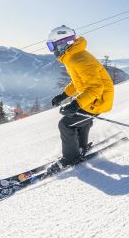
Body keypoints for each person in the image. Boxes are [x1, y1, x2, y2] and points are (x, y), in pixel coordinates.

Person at [46, 25, 114, 172]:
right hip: (94, 98)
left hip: (98, 99)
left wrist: (76, 104)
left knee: (66, 124)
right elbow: (78, 81)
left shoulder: (79, 58)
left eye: (52, 46)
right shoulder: (73, 56)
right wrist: (63, 95)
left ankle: (71, 159)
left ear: (64, 43)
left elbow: (95, 88)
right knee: (79, 121)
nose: (52, 50)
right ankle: (80, 148)